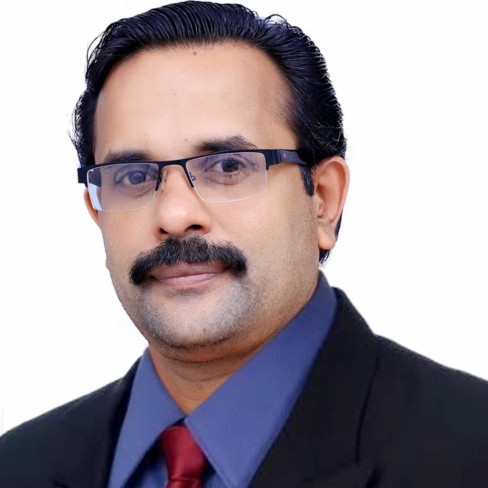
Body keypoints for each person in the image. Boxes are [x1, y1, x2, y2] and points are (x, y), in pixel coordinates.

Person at [1, 1, 487, 487]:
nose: (174, 216)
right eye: (132, 176)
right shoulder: (17, 466)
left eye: (228, 166)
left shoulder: (471, 451)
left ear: (323, 199)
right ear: (97, 212)